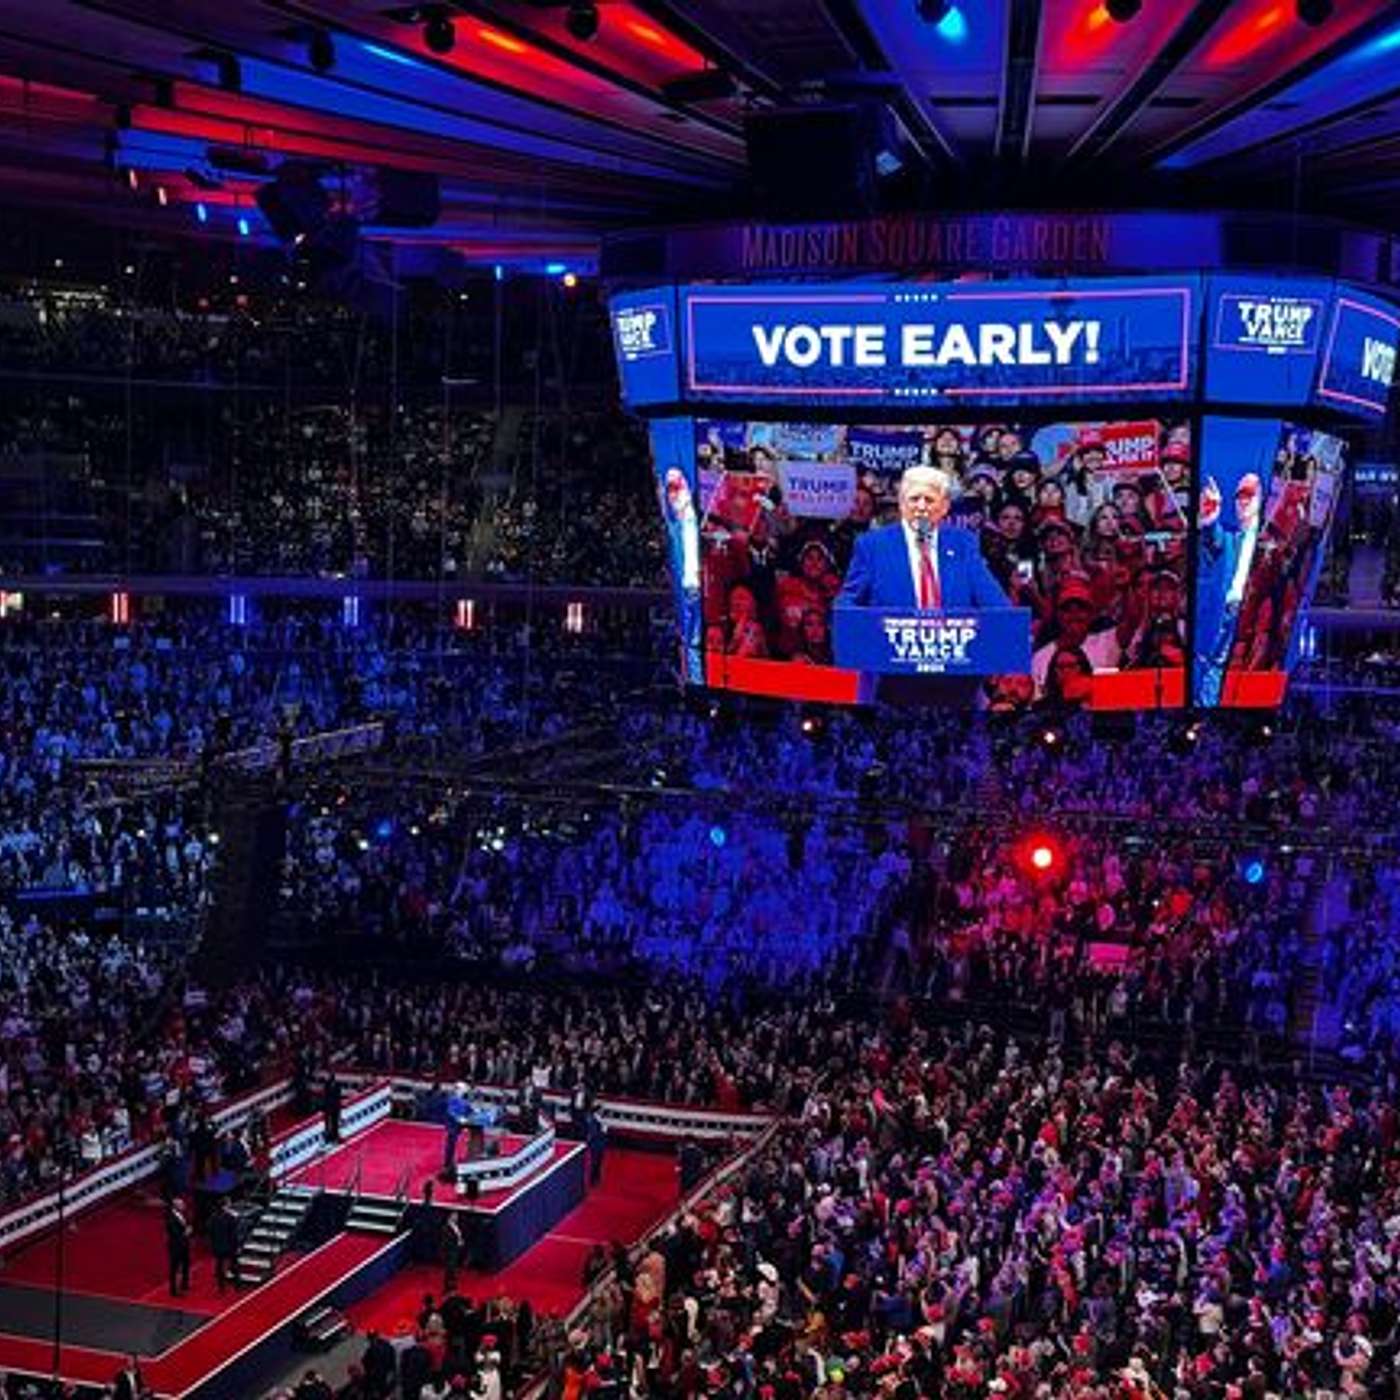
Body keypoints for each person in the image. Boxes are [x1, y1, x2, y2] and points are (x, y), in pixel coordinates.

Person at [836, 465, 1010, 612]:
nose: (921, 507)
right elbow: (847, 605)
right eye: (914, 499)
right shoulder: (872, 546)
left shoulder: (963, 544)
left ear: (944, 507)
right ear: (902, 504)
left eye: (929, 500)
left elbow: (995, 603)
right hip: (889, 648)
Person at [208, 1195, 240, 1293]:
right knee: (234, 1265)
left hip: (218, 1246)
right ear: (224, 1205)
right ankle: (237, 1285)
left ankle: (221, 1287)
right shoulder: (230, 1217)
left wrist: (213, 1245)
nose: (230, 1204)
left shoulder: (212, 1217)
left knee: (219, 1266)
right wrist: (237, 1246)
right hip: (229, 1246)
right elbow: (233, 1234)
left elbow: (210, 1233)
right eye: (229, 1203)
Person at [165, 1196, 191, 1296]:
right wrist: (186, 1232)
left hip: (184, 1245)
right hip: (176, 1246)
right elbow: (175, 1234)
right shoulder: (170, 1218)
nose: (184, 1205)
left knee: (186, 1265)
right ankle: (174, 1290)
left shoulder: (183, 1214)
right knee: (175, 1268)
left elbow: (186, 1224)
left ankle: (184, 1284)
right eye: (181, 1204)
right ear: (176, 1206)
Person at [442, 1081, 468, 1178]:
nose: (465, 1091)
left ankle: (450, 1161)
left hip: (458, 1126)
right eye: (463, 1089)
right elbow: (451, 1111)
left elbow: (467, 1109)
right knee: (451, 1143)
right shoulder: (452, 1099)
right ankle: (447, 1162)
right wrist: (458, 1118)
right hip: (452, 1125)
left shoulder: (464, 1101)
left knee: (453, 1143)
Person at [442, 1212, 463, 1295]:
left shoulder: (455, 1226)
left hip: (455, 1250)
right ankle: (447, 1287)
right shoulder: (446, 1228)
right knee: (449, 1270)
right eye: (455, 1216)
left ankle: (452, 1285)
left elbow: (458, 1235)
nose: (457, 1217)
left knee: (453, 1269)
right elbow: (446, 1241)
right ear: (450, 1217)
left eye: (457, 1216)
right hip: (450, 1251)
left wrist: (460, 1241)